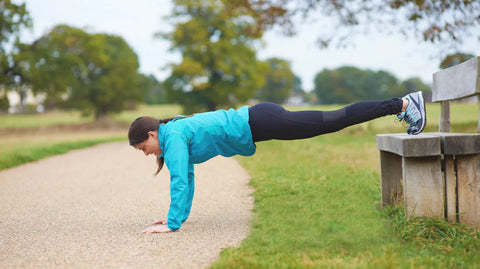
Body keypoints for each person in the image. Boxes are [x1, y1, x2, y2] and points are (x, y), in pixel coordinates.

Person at [128, 91, 426, 233]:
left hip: (261, 121)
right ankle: (401, 105)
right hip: (261, 120)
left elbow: (179, 179)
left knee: (333, 120)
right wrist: (175, 218)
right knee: (332, 121)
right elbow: (187, 178)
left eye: (143, 147)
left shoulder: (175, 137)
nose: (146, 153)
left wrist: (172, 224)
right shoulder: (174, 135)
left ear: (153, 134)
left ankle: (401, 104)